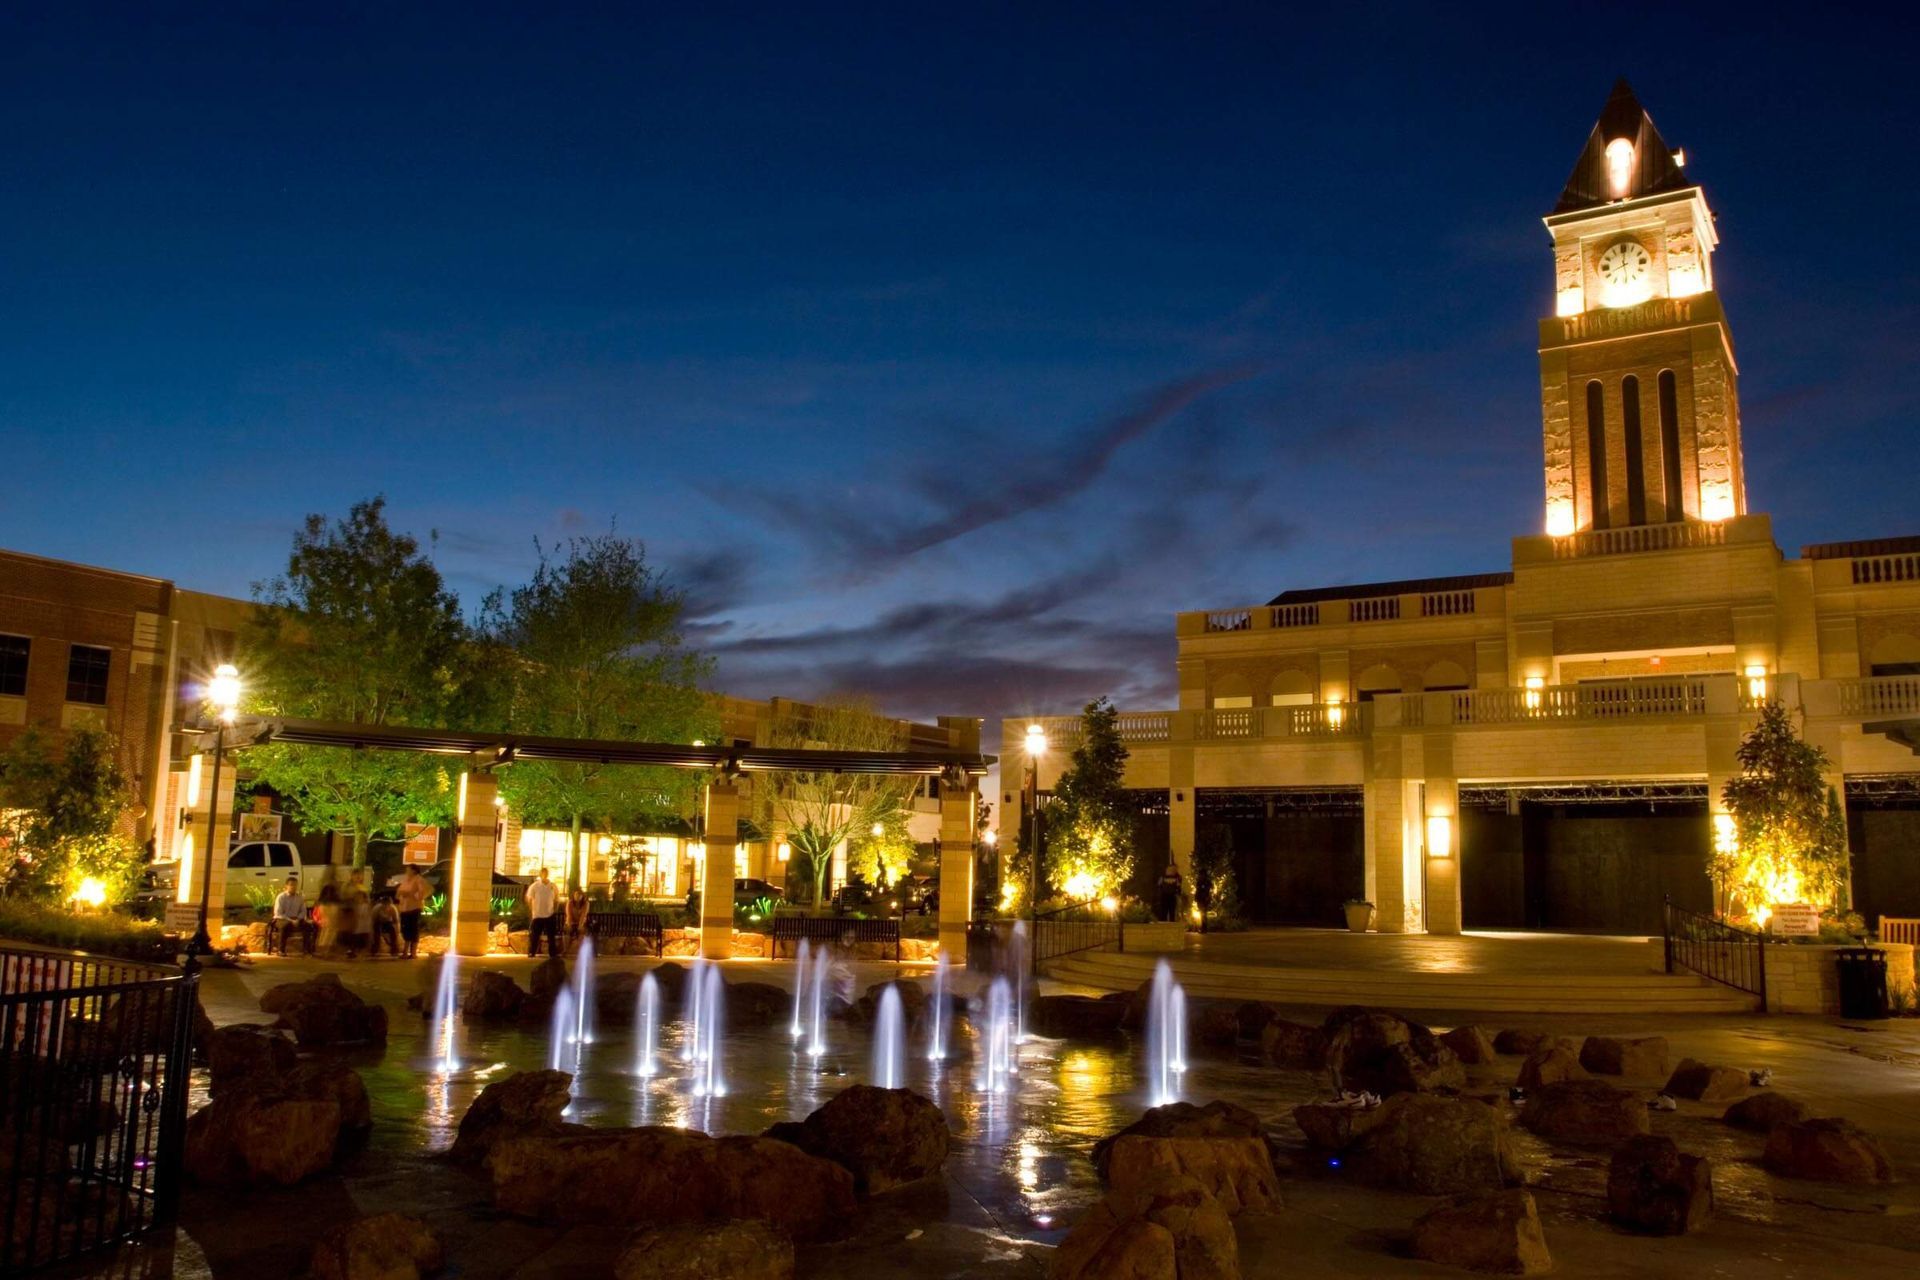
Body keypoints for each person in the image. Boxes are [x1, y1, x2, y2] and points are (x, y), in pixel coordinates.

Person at [394, 863, 430, 958]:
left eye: (408, 870)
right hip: (405, 908)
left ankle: (413, 952)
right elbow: (399, 892)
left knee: (413, 929)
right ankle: (405, 951)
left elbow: (422, 893)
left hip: (414, 908)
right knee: (405, 929)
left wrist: (410, 894)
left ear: (414, 870)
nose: (406, 872)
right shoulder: (406, 880)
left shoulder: (419, 880)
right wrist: (399, 895)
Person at [269, 875, 310, 956]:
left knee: (307, 926)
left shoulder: (300, 898)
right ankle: (281, 950)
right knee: (284, 926)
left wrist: (298, 919)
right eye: (291, 885)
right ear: (286, 886)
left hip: (296, 918)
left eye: (295, 885)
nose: (293, 887)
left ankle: (307, 950)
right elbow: (278, 913)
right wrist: (290, 920)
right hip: (282, 918)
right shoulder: (281, 897)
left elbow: (303, 911)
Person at [525, 866, 561, 957]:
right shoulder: (535, 886)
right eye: (543, 873)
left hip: (549, 914)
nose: (544, 875)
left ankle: (552, 953)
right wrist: (532, 910)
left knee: (551, 935)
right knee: (535, 935)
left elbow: (557, 899)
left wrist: (554, 910)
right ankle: (532, 952)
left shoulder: (553, 886)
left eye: (546, 873)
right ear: (540, 874)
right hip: (538, 915)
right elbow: (529, 898)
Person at [338, 868, 370, 960]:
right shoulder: (347, 886)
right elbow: (343, 897)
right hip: (349, 912)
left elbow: (366, 899)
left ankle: (355, 949)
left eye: (360, 876)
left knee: (358, 932)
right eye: (356, 875)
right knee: (349, 932)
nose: (358, 877)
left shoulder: (362, 887)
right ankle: (349, 949)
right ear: (352, 876)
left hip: (360, 913)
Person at [315, 880, 342, 954]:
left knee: (325, 929)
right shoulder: (334, 892)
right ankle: (326, 948)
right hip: (330, 906)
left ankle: (322, 947)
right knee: (331, 929)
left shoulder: (326, 889)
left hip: (324, 905)